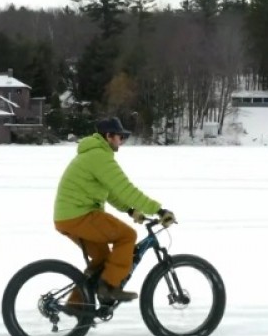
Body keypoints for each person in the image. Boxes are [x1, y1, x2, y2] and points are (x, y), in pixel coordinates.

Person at [53, 116, 176, 304]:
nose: (122, 141)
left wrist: (130, 211)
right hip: (80, 215)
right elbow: (125, 189)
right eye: (120, 137)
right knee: (126, 236)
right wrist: (159, 211)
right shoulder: (99, 156)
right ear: (109, 136)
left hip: (69, 217)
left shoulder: (94, 154)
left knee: (103, 260)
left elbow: (110, 193)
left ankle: (78, 304)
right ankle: (109, 287)